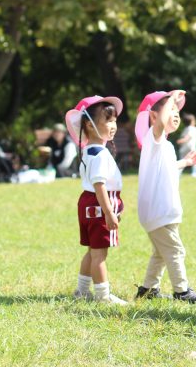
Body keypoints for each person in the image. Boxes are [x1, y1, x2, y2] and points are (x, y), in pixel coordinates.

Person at [133, 90, 196, 303]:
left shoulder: (165, 145)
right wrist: (171, 99)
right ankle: (182, 292)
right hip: (158, 211)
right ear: (154, 117)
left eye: (177, 110)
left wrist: (185, 162)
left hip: (165, 211)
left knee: (160, 253)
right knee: (175, 250)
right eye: (171, 110)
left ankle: (148, 290)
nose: (175, 114)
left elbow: (166, 169)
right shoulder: (153, 138)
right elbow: (158, 128)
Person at [65, 95, 128, 304]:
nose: (113, 126)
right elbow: (99, 185)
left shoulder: (89, 151)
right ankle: (103, 295)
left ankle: (82, 290)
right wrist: (109, 212)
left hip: (87, 204)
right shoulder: (100, 154)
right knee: (100, 254)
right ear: (89, 126)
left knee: (93, 251)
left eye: (115, 121)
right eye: (108, 121)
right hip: (99, 206)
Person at [176, 113, 196, 177]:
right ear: (192, 121)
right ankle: (194, 172)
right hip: (191, 147)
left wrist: (181, 141)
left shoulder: (185, 129)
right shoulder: (193, 128)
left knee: (182, 161)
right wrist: (183, 140)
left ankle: (178, 173)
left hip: (183, 148)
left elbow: (184, 137)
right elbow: (188, 137)